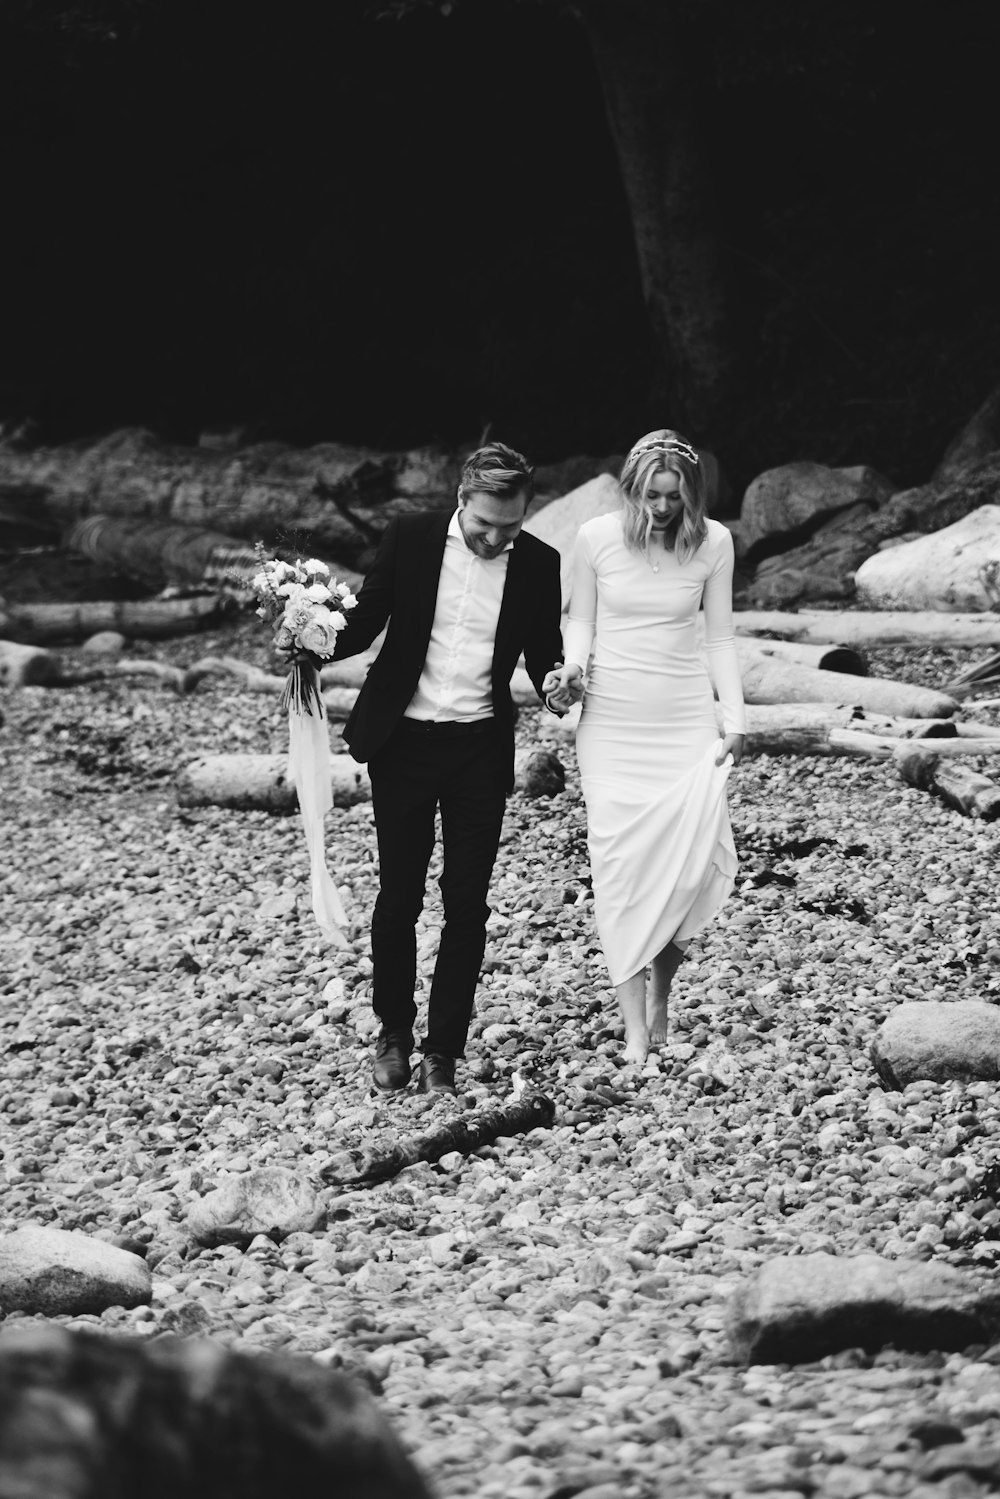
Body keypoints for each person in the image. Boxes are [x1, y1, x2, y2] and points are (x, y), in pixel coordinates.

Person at [331, 442, 578, 1096]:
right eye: (483, 525)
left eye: (511, 527)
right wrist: (307, 636)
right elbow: (363, 622)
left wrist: (559, 686)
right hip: (403, 742)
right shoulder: (410, 538)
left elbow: (543, 657)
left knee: (466, 905)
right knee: (399, 897)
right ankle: (392, 1033)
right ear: (462, 499)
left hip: (478, 748)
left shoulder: (539, 563)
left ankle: (442, 1052)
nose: (496, 538)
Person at [544, 428, 745, 1065]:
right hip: (612, 724)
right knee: (622, 870)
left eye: (673, 497)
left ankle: (662, 992)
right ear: (633, 489)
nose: (660, 509)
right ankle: (633, 1026)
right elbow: (581, 620)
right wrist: (573, 668)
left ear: (691, 495)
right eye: (651, 496)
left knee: (685, 865)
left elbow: (719, 639)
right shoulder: (596, 538)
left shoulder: (714, 542)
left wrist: (733, 716)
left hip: (684, 720)